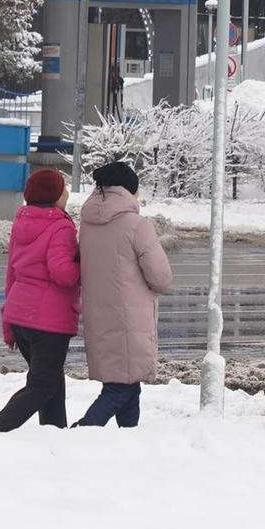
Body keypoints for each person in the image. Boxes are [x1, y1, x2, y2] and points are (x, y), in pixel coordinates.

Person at [0, 169, 79, 431]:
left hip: (20, 315)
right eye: (63, 188)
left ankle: (54, 432)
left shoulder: (22, 220)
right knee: (43, 385)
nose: (67, 192)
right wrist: (84, 264)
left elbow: (11, 271)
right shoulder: (60, 226)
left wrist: (7, 322)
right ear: (54, 195)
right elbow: (64, 274)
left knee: (50, 381)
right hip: (48, 320)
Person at [74, 162, 172, 428]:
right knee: (120, 389)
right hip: (130, 319)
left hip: (100, 315)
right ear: (129, 190)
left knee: (128, 386)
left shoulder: (87, 223)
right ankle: (81, 433)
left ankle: (130, 441)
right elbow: (161, 278)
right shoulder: (137, 225)